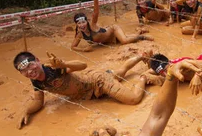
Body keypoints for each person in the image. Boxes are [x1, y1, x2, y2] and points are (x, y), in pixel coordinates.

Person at [13, 52, 150, 129]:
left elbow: (82, 65)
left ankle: (144, 77)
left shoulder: (53, 68)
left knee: (133, 99)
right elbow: (38, 101)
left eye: (30, 65)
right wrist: (27, 111)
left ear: (37, 60)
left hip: (98, 82)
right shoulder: (36, 80)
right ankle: (141, 55)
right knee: (119, 72)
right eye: (24, 70)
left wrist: (63, 64)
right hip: (87, 94)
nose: (29, 71)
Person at [71, 0, 153, 52]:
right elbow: (73, 47)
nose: (82, 25)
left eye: (83, 22)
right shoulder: (80, 34)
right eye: (79, 23)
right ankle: (139, 31)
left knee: (124, 41)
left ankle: (143, 37)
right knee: (127, 38)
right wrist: (83, 50)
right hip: (109, 41)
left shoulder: (92, 26)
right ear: (76, 25)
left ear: (87, 21)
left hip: (113, 30)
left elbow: (96, 12)